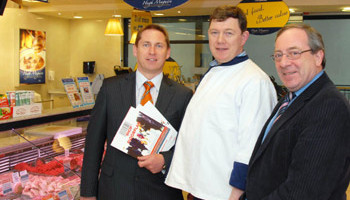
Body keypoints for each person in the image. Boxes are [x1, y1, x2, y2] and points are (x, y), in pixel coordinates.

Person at [165, 5, 277, 200]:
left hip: (225, 194)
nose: (220, 40)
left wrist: (237, 194)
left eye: (229, 33)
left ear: (244, 37)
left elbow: (251, 146)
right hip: (199, 188)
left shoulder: (255, 81)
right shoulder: (214, 72)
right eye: (214, 32)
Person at [80, 24, 193, 200]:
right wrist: (87, 193)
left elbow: (189, 145)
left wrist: (165, 160)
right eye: (146, 45)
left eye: (159, 46)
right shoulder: (110, 89)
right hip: (115, 189)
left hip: (161, 191)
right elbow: (93, 143)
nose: (152, 51)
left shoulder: (182, 95)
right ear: (135, 50)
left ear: (168, 52)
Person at [241, 24, 350, 200]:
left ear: (318, 56)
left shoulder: (329, 107)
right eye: (278, 55)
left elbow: (303, 192)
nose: (284, 63)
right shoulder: (292, 97)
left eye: (294, 53)